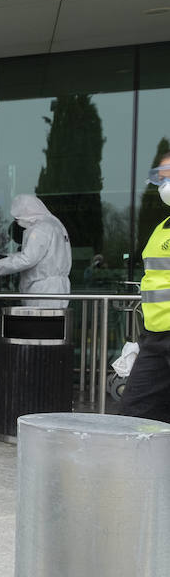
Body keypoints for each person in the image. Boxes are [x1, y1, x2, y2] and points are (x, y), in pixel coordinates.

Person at [120, 150, 170, 423]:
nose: (164, 187)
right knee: (135, 414)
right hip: (155, 337)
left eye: (168, 177)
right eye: (160, 180)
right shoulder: (162, 227)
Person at [0, 193, 71, 307]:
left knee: (38, 323)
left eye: (17, 217)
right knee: (54, 323)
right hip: (56, 288)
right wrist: (8, 257)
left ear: (26, 213)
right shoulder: (55, 224)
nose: (17, 221)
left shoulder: (40, 228)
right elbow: (39, 255)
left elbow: (27, 259)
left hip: (43, 290)